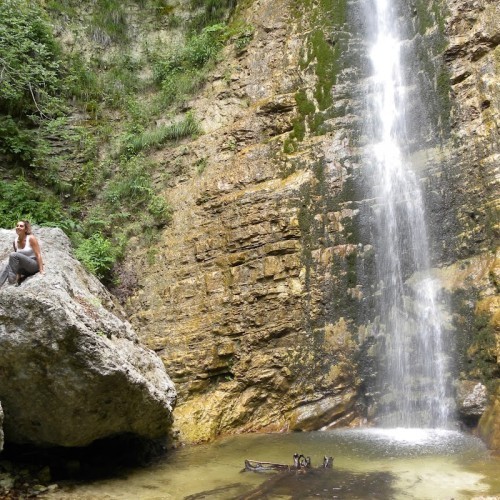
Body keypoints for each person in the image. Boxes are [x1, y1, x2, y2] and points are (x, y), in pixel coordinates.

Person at [0, 221, 44, 287]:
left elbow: (38, 254)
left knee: (13, 255)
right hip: (24, 270)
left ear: (26, 229)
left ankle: (12, 279)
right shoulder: (15, 241)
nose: (18, 227)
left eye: (21, 226)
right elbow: (16, 262)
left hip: (33, 265)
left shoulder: (31, 238)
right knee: (9, 263)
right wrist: (18, 278)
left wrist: (41, 270)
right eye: (17, 226)